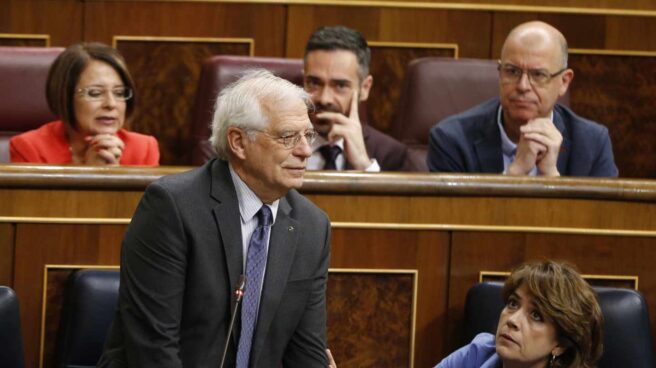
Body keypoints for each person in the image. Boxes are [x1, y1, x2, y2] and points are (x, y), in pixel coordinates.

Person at [98, 70, 331, 367]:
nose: (305, 151)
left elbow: (306, 353)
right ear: (238, 142)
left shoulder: (312, 227)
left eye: (307, 135)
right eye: (288, 137)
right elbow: (154, 348)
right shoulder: (173, 207)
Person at [427, 21, 618, 177]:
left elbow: (602, 220)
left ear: (564, 82)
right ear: (500, 73)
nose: (523, 86)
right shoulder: (451, 140)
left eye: (538, 75)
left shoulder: (592, 143)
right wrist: (515, 174)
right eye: (512, 71)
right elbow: (453, 220)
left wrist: (551, 178)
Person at [9, 42, 159, 165]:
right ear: (66, 95)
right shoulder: (30, 148)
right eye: (95, 93)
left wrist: (114, 175)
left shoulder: (143, 149)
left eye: (119, 93)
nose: (111, 104)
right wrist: (88, 174)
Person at [435, 260, 603, 368]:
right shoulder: (479, 353)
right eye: (513, 304)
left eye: (536, 315)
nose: (512, 320)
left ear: (560, 345)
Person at [303, 25, 407, 171]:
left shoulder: (390, 154)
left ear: (364, 88)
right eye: (314, 83)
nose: (324, 99)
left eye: (340, 86)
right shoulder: (278, 144)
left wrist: (364, 165)